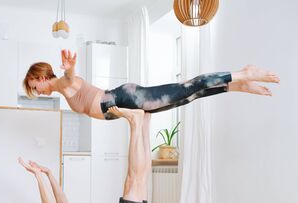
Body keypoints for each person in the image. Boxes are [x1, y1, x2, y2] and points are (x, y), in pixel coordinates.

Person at [17, 106, 151, 203]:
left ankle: (144, 125)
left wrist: (48, 174)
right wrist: (37, 176)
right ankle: (135, 123)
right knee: (132, 180)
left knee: (140, 180)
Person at [23, 49, 280, 120]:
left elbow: (70, 80)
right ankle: (236, 86)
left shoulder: (61, 83)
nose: (38, 91)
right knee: (186, 97)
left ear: (42, 77)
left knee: (187, 87)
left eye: (35, 86)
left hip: (128, 99)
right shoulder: (60, 88)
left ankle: (243, 73)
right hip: (128, 104)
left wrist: (71, 69)